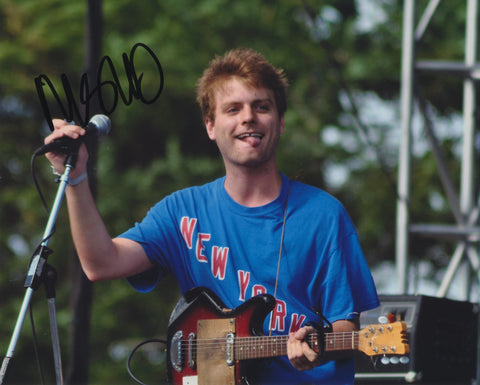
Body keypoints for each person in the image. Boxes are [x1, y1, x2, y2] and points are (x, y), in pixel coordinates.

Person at [45, 48, 379, 384]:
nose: (248, 117)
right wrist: (75, 177)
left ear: (280, 123)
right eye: (233, 109)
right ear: (210, 125)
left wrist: (318, 347)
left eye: (261, 106)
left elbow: (346, 326)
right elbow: (101, 263)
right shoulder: (181, 211)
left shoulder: (323, 215)